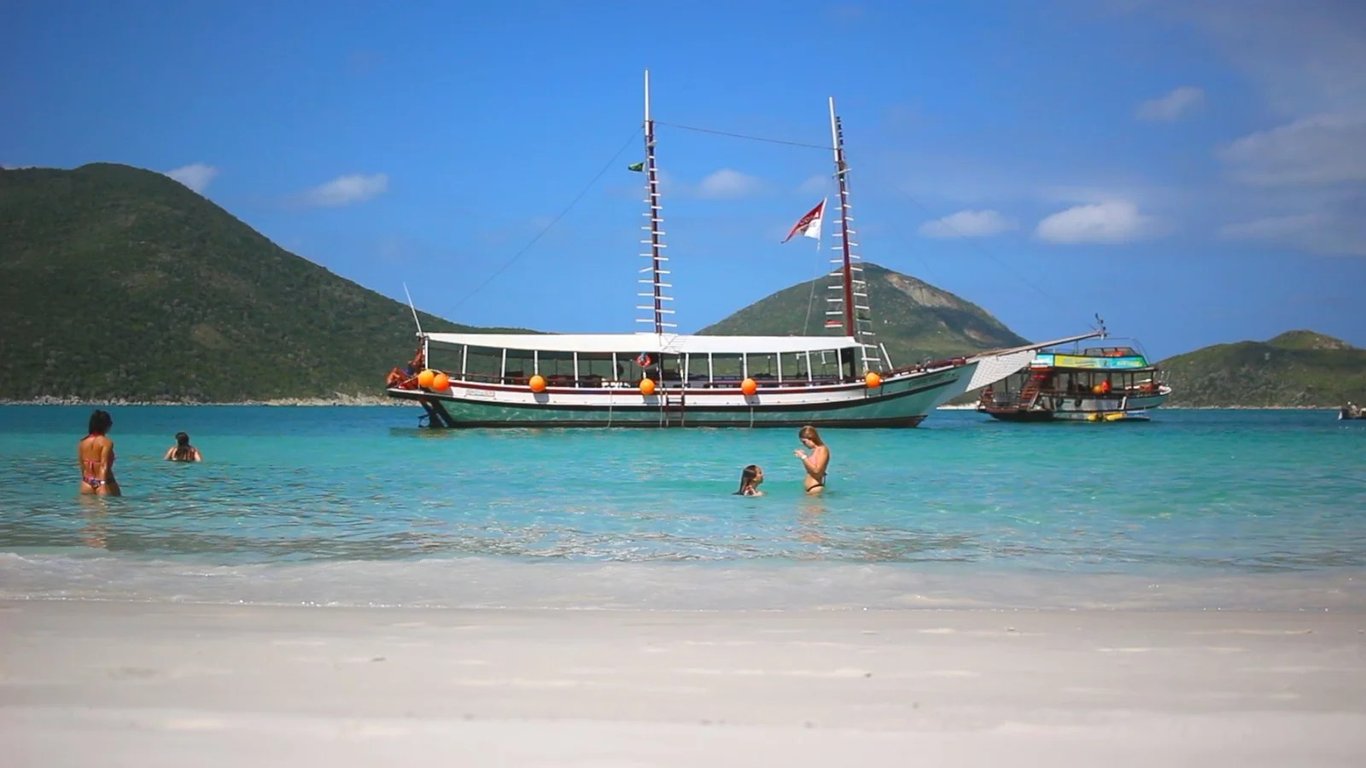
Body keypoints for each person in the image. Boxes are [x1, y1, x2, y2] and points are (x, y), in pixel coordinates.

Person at [77, 409, 121, 496]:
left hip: (87, 483)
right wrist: (103, 484)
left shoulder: (82, 443)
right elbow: (103, 465)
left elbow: (82, 466)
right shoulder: (106, 442)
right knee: (116, 504)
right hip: (105, 483)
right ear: (106, 425)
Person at [793, 424, 829, 495]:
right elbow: (811, 469)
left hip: (815, 488)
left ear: (811, 438)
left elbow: (817, 471)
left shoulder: (822, 449)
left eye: (804, 442)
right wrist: (804, 457)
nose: (804, 444)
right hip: (811, 489)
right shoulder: (816, 451)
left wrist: (803, 457)